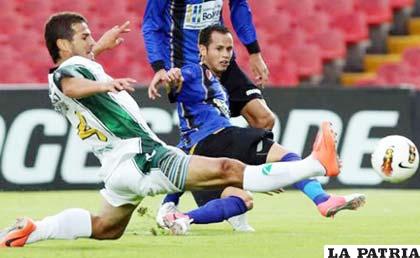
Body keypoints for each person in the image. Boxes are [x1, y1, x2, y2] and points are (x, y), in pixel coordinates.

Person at [0, 12, 341, 246]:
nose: (91, 40)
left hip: (117, 166)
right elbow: (72, 83)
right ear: (63, 46)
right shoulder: (70, 72)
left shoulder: (66, 69)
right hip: (142, 155)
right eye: (84, 36)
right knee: (228, 169)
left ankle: (34, 230)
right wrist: (105, 86)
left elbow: (72, 75)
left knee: (107, 228)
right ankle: (315, 164)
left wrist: (100, 46)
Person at [152, 24, 366, 234]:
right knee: (286, 156)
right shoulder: (196, 71)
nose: (226, 55)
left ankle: (182, 218)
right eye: (219, 49)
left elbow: (182, 154)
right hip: (219, 138)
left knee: (243, 200)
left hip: (202, 156)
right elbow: (177, 80)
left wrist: (170, 201)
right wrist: (172, 78)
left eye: (229, 49)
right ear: (202, 50)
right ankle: (321, 194)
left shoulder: (217, 86)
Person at [142, 0, 275, 230]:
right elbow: (152, 24)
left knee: (264, 119)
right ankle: (171, 202)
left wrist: (254, 51)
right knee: (197, 134)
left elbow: (239, 7)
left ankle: (236, 182)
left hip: (222, 60)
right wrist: (160, 67)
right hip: (188, 66)